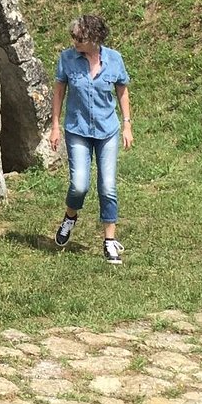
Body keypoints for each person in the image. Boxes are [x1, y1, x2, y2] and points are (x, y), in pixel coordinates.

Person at [50, 14, 133, 263]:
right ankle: (70, 216)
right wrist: (55, 126)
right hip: (77, 130)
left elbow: (122, 91)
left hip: (107, 131)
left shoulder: (114, 60)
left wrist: (127, 125)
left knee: (107, 186)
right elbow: (58, 93)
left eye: (80, 38)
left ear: (95, 39)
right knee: (79, 185)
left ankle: (109, 241)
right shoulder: (67, 59)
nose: (74, 41)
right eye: (73, 37)